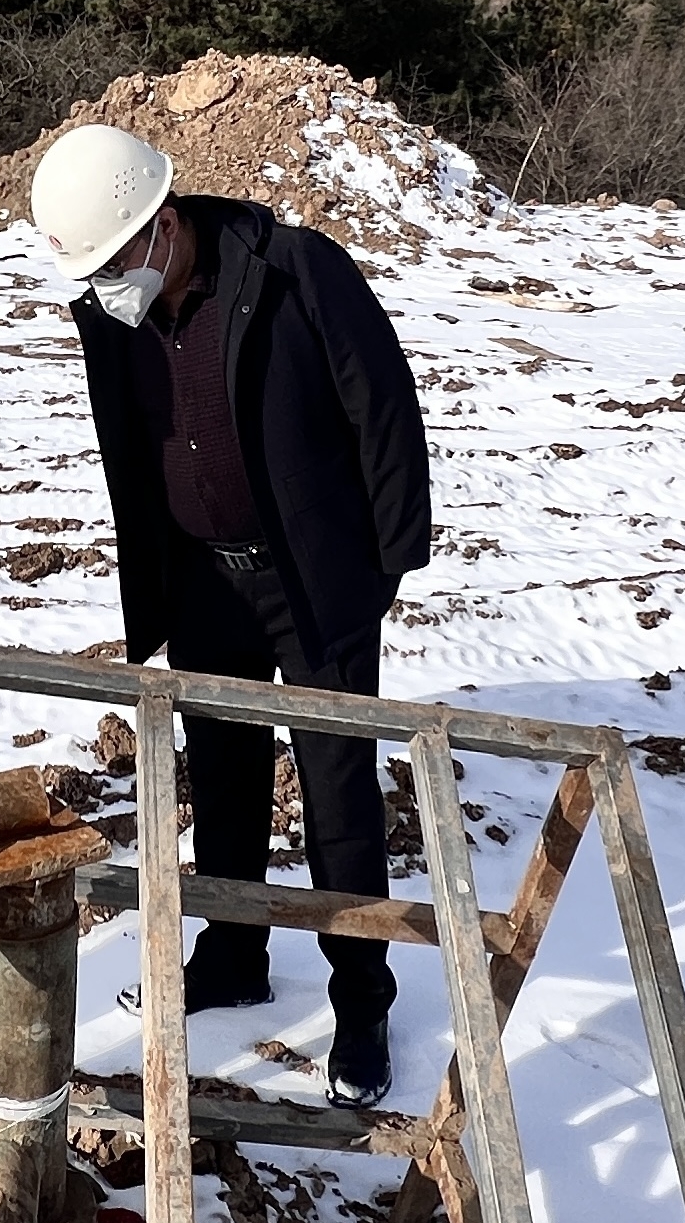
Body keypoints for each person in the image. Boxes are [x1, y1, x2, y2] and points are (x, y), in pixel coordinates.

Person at [32, 124, 431, 1107]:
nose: (104, 282)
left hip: (313, 580)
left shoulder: (293, 269)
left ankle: (363, 1000)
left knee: (338, 800)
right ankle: (234, 951)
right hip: (207, 581)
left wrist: (378, 573)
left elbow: (382, 408)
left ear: (163, 224)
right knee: (224, 777)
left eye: (114, 258)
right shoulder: (119, 314)